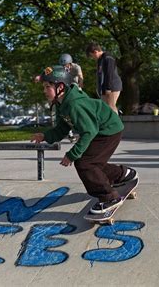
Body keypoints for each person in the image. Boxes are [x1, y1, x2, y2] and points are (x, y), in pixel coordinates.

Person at [30, 65, 138, 214]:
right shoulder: (62, 104)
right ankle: (124, 174)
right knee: (94, 163)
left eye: (47, 86)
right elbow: (63, 128)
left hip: (109, 130)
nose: (44, 91)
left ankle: (108, 197)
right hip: (100, 130)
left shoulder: (75, 104)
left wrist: (72, 154)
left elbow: (89, 131)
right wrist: (45, 136)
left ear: (60, 87)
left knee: (85, 163)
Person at [85, 42, 122, 113]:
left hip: (112, 86)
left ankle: (116, 123)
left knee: (111, 106)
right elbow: (100, 76)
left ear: (96, 52)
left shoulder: (108, 58)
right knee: (104, 107)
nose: (92, 58)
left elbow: (109, 74)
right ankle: (107, 123)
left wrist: (108, 88)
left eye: (92, 56)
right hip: (104, 88)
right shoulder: (100, 60)